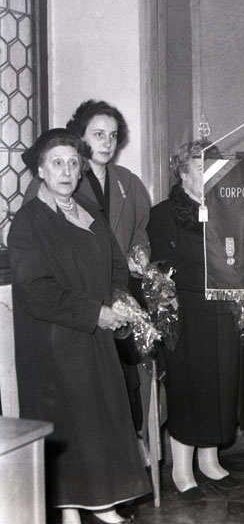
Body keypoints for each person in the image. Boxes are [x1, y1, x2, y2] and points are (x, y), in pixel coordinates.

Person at [9, 129, 150, 524]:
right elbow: (37, 290)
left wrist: (118, 298)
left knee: (96, 419)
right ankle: (75, 508)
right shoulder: (28, 222)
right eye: (57, 163)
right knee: (71, 423)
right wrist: (95, 313)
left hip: (93, 336)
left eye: (73, 163)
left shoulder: (88, 210)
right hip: (53, 342)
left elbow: (116, 265)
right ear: (41, 170)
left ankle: (94, 502)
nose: (67, 171)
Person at [24, 101, 153, 449]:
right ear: (79, 138)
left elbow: (140, 231)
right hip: (77, 307)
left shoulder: (127, 182)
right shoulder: (56, 188)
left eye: (113, 135)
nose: (107, 143)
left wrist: (138, 254)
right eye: (98, 135)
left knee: (123, 389)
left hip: (117, 294)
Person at [147, 141, 244, 502]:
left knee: (219, 386)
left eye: (212, 168)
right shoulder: (163, 213)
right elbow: (163, 267)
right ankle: (182, 471)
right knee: (190, 389)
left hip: (223, 313)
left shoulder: (225, 207)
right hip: (187, 315)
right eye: (200, 168)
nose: (208, 174)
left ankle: (210, 462)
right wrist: (214, 276)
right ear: (183, 173)